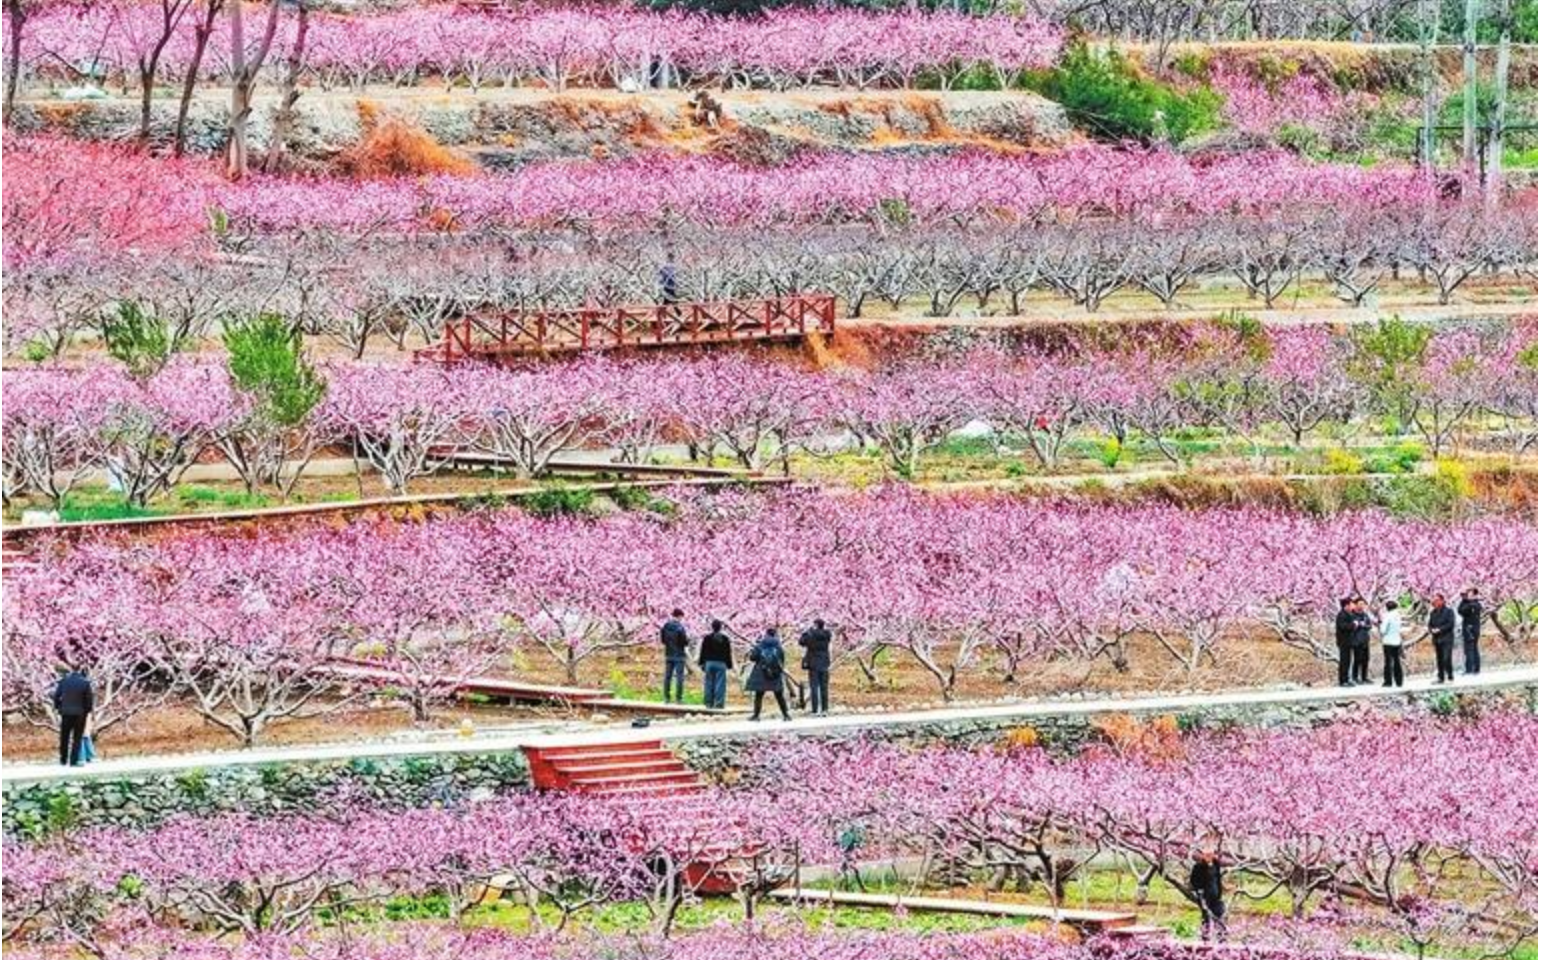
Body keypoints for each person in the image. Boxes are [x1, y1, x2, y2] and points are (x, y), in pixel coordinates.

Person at [52, 666, 94, 767]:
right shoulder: (85, 683)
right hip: (80, 714)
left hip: (66, 713)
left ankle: (63, 759)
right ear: (80, 670)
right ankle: (73, 760)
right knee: (77, 737)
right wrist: (86, 711)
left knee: (64, 737)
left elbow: (56, 696)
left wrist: (58, 708)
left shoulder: (64, 682)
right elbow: (89, 700)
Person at [746, 627, 791, 721]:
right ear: (775, 634)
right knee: (779, 695)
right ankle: (786, 715)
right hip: (775, 673)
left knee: (759, 695)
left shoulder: (760, 645)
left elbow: (752, 658)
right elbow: (782, 660)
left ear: (766, 634)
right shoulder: (778, 646)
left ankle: (756, 715)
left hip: (761, 672)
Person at [798, 618, 833, 715]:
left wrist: (806, 632)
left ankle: (815, 710)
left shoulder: (811, 635)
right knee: (824, 687)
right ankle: (825, 709)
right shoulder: (827, 635)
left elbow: (801, 642)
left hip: (813, 663)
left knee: (814, 687)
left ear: (816, 625)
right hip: (825, 662)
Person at [1189, 852, 1226, 941]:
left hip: (1215, 895)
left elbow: (1217, 879)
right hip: (1204, 895)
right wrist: (1199, 891)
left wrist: (1220, 891)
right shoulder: (1198, 867)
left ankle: (1221, 938)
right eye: (1206, 855)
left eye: (1211, 855)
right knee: (1206, 917)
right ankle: (1205, 938)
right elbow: (1193, 881)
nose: (1209, 857)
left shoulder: (1216, 864)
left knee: (1219, 914)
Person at [698, 619, 733, 710]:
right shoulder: (725, 639)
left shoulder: (707, 638)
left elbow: (703, 652)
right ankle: (718, 704)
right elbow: (728, 653)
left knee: (708, 683)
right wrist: (729, 665)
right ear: (720, 628)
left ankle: (708, 703)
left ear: (712, 627)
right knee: (720, 684)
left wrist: (701, 663)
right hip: (721, 663)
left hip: (709, 663)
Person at [660, 610, 690, 704]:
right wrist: (687, 641)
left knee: (667, 676)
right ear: (679, 616)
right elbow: (684, 642)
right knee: (679, 677)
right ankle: (678, 699)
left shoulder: (665, 626)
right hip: (679, 655)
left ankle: (666, 698)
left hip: (669, 654)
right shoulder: (680, 628)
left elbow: (663, 640)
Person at [1428, 594, 1457, 683]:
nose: (1435, 602)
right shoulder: (1433, 613)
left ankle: (1450, 675)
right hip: (1437, 639)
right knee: (1439, 659)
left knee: (1446, 658)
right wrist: (1432, 630)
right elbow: (1430, 624)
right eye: (1434, 600)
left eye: (1437, 600)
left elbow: (1451, 624)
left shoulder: (1449, 611)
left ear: (1442, 600)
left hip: (1447, 638)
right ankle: (1441, 677)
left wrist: (1440, 629)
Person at [1379, 600, 1405, 688]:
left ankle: (1388, 681)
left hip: (1388, 641)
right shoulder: (1398, 616)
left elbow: (1383, 630)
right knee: (1397, 661)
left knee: (1388, 662)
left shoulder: (1387, 616)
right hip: (1397, 641)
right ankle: (1399, 681)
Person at [1457, 588, 1483, 675]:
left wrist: (1464, 601)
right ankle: (1476, 668)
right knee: (1474, 648)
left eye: (1469, 594)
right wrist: (1464, 600)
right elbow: (1460, 610)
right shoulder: (1477, 604)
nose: (1467, 595)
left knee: (1469, 649)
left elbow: (1461, 610)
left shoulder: (1473, 605)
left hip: (1470, 628)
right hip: (1475, 628)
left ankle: (1470, 669)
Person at [1350, 597, 1373, 685]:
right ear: (1355, 604)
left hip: (1365, 640)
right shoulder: (1352, 615)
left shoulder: (1365, 615)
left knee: (1366, 659)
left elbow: (1369, 625)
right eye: (1360, 604)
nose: (1362, 606)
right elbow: (1351, 627)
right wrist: (1358, 625)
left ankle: (1364, 677)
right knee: (1357, 660)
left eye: (1363, 604)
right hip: (1356, 641)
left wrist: (1363, 625)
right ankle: (1355, 677)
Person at [1334, 597, 1356, 687]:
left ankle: (1346, 678)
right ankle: (1343, 680)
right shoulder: (1342, 615)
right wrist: (1353, 625)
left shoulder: (1348, 614)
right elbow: (1343, 627)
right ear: (1346, 605)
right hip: (1344, 641)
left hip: (1348, 641)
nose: (1352, 606)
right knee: (1344, 661)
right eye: (1351, 604)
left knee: (1348, 661)